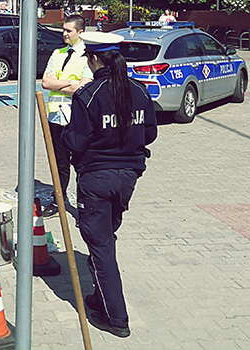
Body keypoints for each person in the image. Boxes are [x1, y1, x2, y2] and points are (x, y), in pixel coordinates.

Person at [61, 32, 157, 338]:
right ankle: (99, 297)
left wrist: (63, 133)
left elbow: (77, 141)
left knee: (102, 248)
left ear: (94, 59)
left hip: (96, 180)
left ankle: (117, 319)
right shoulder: (139, 91)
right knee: (105, 238)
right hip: (128, 179)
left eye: (87, 59)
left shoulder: (87, 96)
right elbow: (151, 134)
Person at [41, 14, 93, 217]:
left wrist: (59, 82)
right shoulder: (58, 53)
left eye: (68, 30)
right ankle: (58, 201)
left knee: (81, 164)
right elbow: (45, 83)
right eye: (63, 29)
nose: (64, 33)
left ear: (80, 32)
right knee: (59, 164)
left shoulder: (88, 55)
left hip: (76, 117)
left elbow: (84, 87)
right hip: (55, 116)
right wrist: (69, 83)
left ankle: (83, 207)